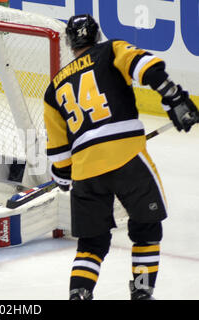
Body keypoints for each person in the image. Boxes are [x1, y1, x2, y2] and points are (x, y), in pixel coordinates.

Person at [44, 14, 198, 300]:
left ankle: (79, 294)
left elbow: (59, 152)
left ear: (69, 42)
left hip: (86, 171)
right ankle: (141, 292)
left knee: (90, 243)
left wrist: (64, 177)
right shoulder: (111, 49)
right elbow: (147, 67)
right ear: (97, 36)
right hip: (127, 157)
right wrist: (173, 97)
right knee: (146, 228)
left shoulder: (53, 88)